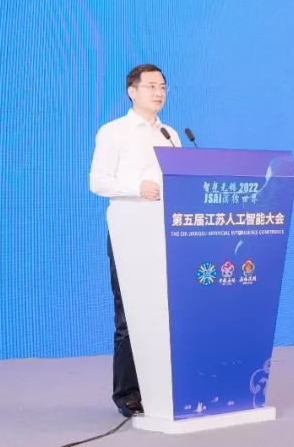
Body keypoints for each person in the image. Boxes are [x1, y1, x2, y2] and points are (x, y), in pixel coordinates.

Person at [89, 64, 181, 417]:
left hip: (166, 233)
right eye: (151, 86)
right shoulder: (114, 132)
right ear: (132, 91)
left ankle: (163, 386)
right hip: (129, 233)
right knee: (130, 314)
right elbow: (97, 182)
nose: (159, 93)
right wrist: (136, 189)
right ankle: (128, 393)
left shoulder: (170, 134)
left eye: (163, 87)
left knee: (164, 312)